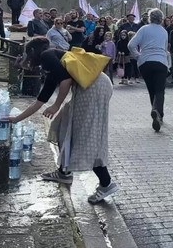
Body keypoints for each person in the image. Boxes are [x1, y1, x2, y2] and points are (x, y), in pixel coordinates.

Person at [6, 37, 118, 203]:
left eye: (25, 54)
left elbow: (66, 82)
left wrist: (56, 105)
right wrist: (16, 119)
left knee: (87, 136)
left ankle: (106, 183)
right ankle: (63, 172)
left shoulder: (47, 55)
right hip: (94, 86)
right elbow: (40, 101)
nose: (25, 58)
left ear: (31, 51)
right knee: (62, 126)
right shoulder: (53, 62)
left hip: (93, 89)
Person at [128, 9, 170, 133]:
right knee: (160, 90)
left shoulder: (144, 29)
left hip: (145, 62)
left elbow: (131, 45)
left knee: (151, 89)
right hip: (161, 61)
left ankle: (156, 112)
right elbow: (165, 48)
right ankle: (158, 113)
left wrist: (137, 55)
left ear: (150, 18)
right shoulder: (164, 31)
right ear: (161, 19)